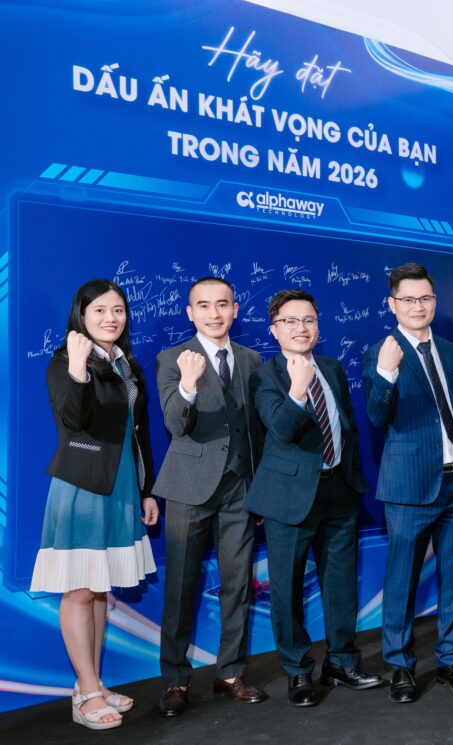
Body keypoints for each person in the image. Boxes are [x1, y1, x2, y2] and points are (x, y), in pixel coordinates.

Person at [30, 279, 159, 730]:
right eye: (100, 310)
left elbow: (138, 433)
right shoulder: (64, 360)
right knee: (80, 590)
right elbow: (71, 419)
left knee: (100, 588)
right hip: (83, 487)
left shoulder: (126, 364)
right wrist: (78, 368)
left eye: (118, 310)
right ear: (81, 315)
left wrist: (146, 488)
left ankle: (94, 683)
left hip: (121, 486)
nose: (110, 318)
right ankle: (85, 692)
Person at [246, 289, 381, 707]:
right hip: (290, 498)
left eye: (308, 320)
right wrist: (298, 391)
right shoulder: (265, 376)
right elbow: (281, 429)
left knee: (341, 585)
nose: (301, 328)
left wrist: (352, 478)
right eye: (290, 321)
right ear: (274, 329)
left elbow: (347, 425)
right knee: (286, 589)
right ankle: (298, 671)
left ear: (318, 326)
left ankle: (341, 662)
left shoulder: (333, 368)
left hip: (339, 491)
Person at [362, 262, 453, 704]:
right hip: (410, 488)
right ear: (392, 304)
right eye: (409, 299)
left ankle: (451, 660)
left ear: (435, 301)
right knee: (402, 580)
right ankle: (400, 664)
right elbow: (377, 416)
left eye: (426, 298)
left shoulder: (450, 351)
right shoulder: (381, 351)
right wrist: (387, 373)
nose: (419, 306)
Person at [153, 277, 267, 716]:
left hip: (240, 488)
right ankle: (175, 680)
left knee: (238, 585)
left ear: (235, 309)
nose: (214, 313)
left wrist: (260, 489)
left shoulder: (252, 359)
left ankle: (230, 673)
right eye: (204, 305)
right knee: (181, 587)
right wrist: (187, 383)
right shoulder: (172, 358)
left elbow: (257, 430)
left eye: (222, 304)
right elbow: (174, 424)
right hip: (188, 488)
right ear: (190, 312)